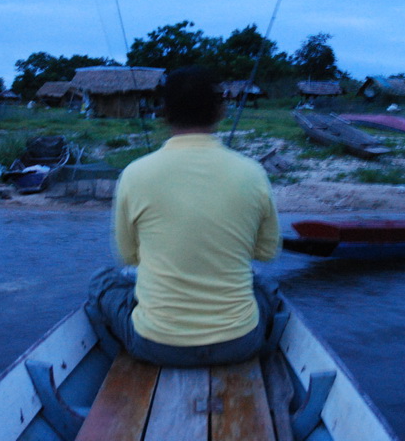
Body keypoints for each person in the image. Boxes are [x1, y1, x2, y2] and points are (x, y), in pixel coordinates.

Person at [86, 66, 282, 367]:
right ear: (220, 110)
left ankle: (115, 357)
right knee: (265, 285)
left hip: (154, 345)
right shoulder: (253, 173)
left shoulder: (134, 174)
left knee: (103, 281)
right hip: (240, 343)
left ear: (164, 113)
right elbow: (267, 253)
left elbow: (127, 257)